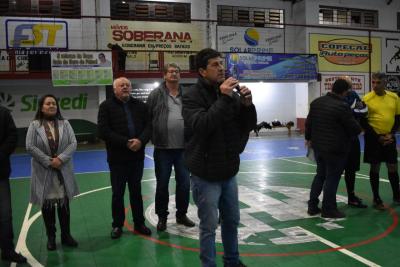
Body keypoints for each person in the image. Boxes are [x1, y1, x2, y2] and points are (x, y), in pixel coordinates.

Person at [182, 48, 257, 267]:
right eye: (215, 64)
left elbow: (247, 126)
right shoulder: (191, 97)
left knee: (232, 221)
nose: (221, 68)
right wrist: (224, 98)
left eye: (222, 63)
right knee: (208, 225)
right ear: (202, 71)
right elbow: (202, 125)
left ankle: (232, 261)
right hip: (205, 174)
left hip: (228, 170)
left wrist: (247, 106)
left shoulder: (230, 95)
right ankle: (209, 264)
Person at [98, 77, 152, 238]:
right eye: (121, 85)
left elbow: (149, 126)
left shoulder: (141, 106)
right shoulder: (106, 106)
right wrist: (127, 142)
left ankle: (139, 223)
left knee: (136, 192)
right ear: (114, 89)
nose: (125, 87)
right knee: (118, 193)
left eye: (127, 85)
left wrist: (141, 141)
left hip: (137, 157)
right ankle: (117, 225)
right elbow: (103, 131)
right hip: (117, 159)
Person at [26, 94, 79, 251]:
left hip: (63, 170)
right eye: (48, 103)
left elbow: (73, 143)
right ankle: (51, 237)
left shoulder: (65, 124)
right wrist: (49, 161)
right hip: (44, 171)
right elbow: (29, 146)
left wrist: (60, 159)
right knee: (48, 206)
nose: (51, 106)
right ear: (41, 107)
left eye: (54, 104)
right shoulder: (34, 125)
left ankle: (66, 236)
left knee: (64, 205)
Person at [147, 63, 195, 232]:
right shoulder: (155, 95)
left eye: (177, 71)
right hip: (163, 149)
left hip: (184, 148)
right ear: (164, 75)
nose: (174, 74)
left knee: (184, 184)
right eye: (171, 72)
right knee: (162, 185)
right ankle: (162, 217)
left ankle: (181, 215)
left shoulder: (187, 94)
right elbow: (148, 117)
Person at [306, 79, 362, 218]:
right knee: (332, 178)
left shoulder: (316, 102)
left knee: (320, 175)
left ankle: (312, 206)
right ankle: (328, 209)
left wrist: (309, 139)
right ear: (344, 91)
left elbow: (309, 123)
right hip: (335, 149)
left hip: (318, 147)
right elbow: (354, 128)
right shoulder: (342, 106)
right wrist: (360, 126)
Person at [361, 72, 400, 210]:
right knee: (375, 167)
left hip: (389, 138)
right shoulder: (366, 98)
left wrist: (391, 134)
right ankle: (376, 198)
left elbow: (398, 118)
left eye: (378, 83)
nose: (375, 85)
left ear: (385, 83)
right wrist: (378, 137)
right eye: (373, 82)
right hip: (373, 139)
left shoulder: (394, 97)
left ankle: (397, 195)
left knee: (393, 166)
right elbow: (363, 122)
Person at [0, 106, 27, 263]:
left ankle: (7, 250)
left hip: (0, 173)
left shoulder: (3, 113)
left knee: (5, 215)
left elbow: (12, 136)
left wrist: (1, 154)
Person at [342, 77, 368, 208]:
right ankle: (325, 199)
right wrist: (353, 111)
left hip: (352, 139)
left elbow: (364, 109)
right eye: (346, 85)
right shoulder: (335, 98)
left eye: (349, 84)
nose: (349, 87)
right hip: (339, 140)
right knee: (332, 171)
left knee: (351, 170)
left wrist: (353, 111)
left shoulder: (353, 95)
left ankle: (351, 197)